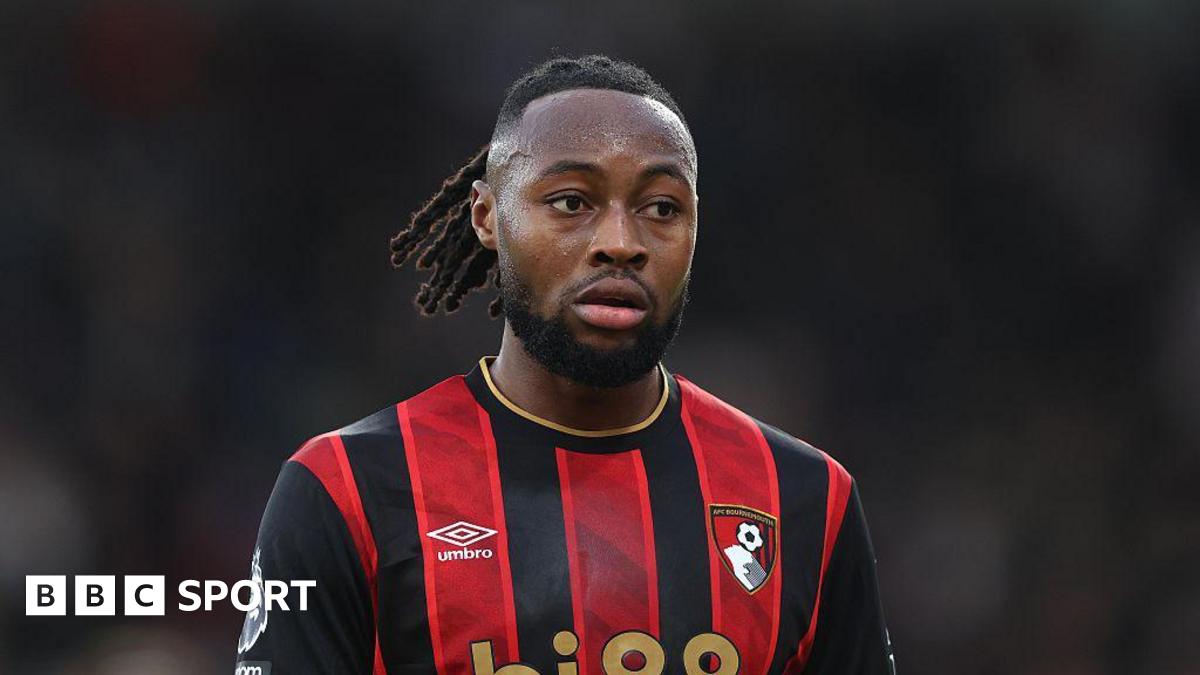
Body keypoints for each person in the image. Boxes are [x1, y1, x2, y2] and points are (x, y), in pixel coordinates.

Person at [235, 54, 896, 675]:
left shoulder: (807, 497)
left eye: (661, 208)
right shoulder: (345, 489)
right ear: (488, 218)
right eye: (572, 201)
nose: (620, 243)